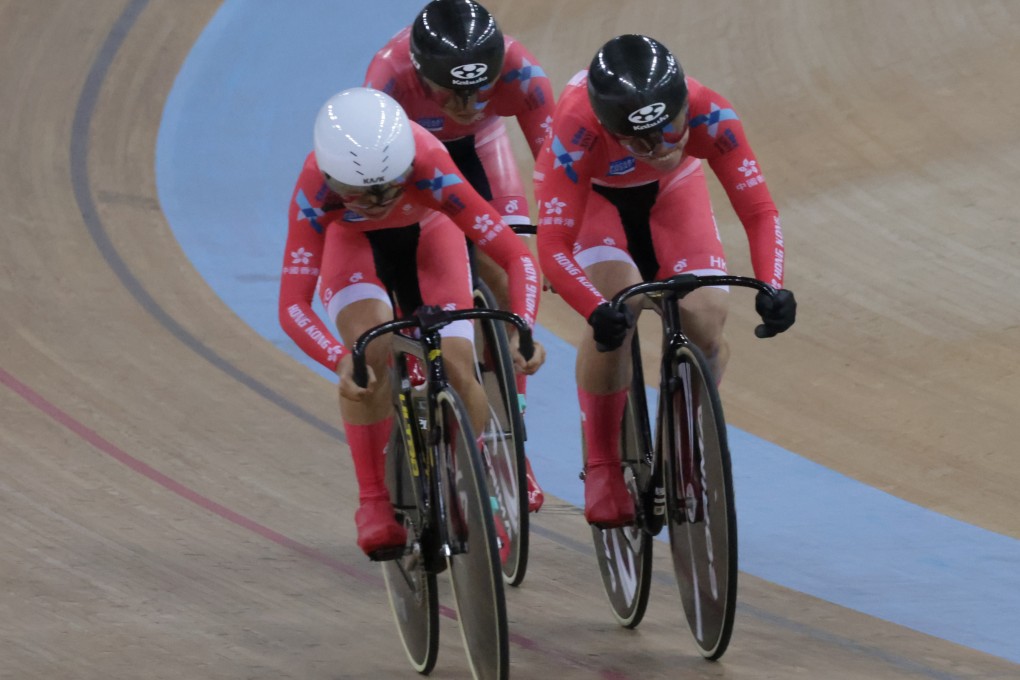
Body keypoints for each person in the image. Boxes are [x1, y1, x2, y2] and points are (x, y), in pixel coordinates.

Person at [534, 35, 797, 528]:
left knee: (705, 321)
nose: (660, 148)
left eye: (670, 130)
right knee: (618, 308)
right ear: (611, 130)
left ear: (682, 107)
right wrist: (595, 310)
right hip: (599, 203)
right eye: (639, 142)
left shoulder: (710, 112)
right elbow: (551, 245)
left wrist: (772, 285)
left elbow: (759, 211)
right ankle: (603, 466)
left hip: (675, 196)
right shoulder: (577, 130)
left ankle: (685, 440)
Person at [278, 87, 544, 559]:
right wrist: (341, 359)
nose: (379, 202)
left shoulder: (431, 165)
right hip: (354, 249)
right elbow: (293, 305)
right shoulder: (313, 191)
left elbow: (514, 257)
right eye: (360, 194)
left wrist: (522, 325)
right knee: (369, 355)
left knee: (461, 370)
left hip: (430, 238)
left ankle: (473, 485)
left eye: (391, 186)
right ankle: (374, 502)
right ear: (330, 176)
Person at [364, 0, 555, 512]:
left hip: (481, 153)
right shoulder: (387, 77)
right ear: (422, 77)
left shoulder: (521, 71)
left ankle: (510, 448)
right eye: (454, 93)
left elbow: (557, 171)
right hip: (412, 170)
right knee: (417, 261)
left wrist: (559, 245)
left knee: (508, 272)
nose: (469, 103)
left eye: (481, 89)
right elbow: (380, 184)